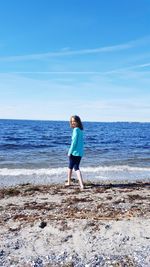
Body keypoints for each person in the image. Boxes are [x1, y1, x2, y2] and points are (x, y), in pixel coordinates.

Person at [66, 115, 84, 189]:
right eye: (72, 121)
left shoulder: (76, 130)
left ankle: (69, 182)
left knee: (71, 167)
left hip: (74, 152)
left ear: (78, 122)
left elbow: (74, 142)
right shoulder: (80, 130)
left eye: (74, 121)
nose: (73, 122)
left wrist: (70, 151)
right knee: (76, 168)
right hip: (80, 152)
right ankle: (81, 184)